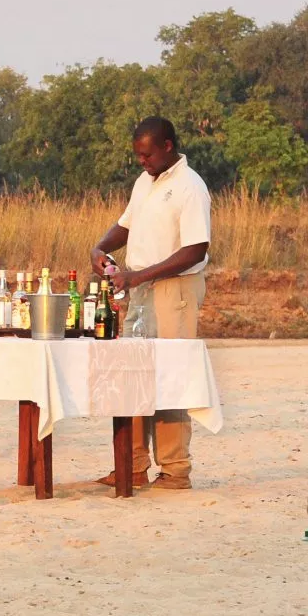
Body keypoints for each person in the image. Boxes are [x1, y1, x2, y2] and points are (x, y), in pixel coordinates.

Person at [90, 115, 212, 490]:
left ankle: (175, 470)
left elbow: (196, 248)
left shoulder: (191, 187)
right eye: (138, 156)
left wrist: (138, 276)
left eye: (146, 155)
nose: (141, 162)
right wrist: (100, 247)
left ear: (167, 147)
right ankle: (133, 464)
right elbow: (126, 224)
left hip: (174, 289)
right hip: (140, 290)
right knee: (134, 374)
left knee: (169, 378)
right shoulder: (146, 181)